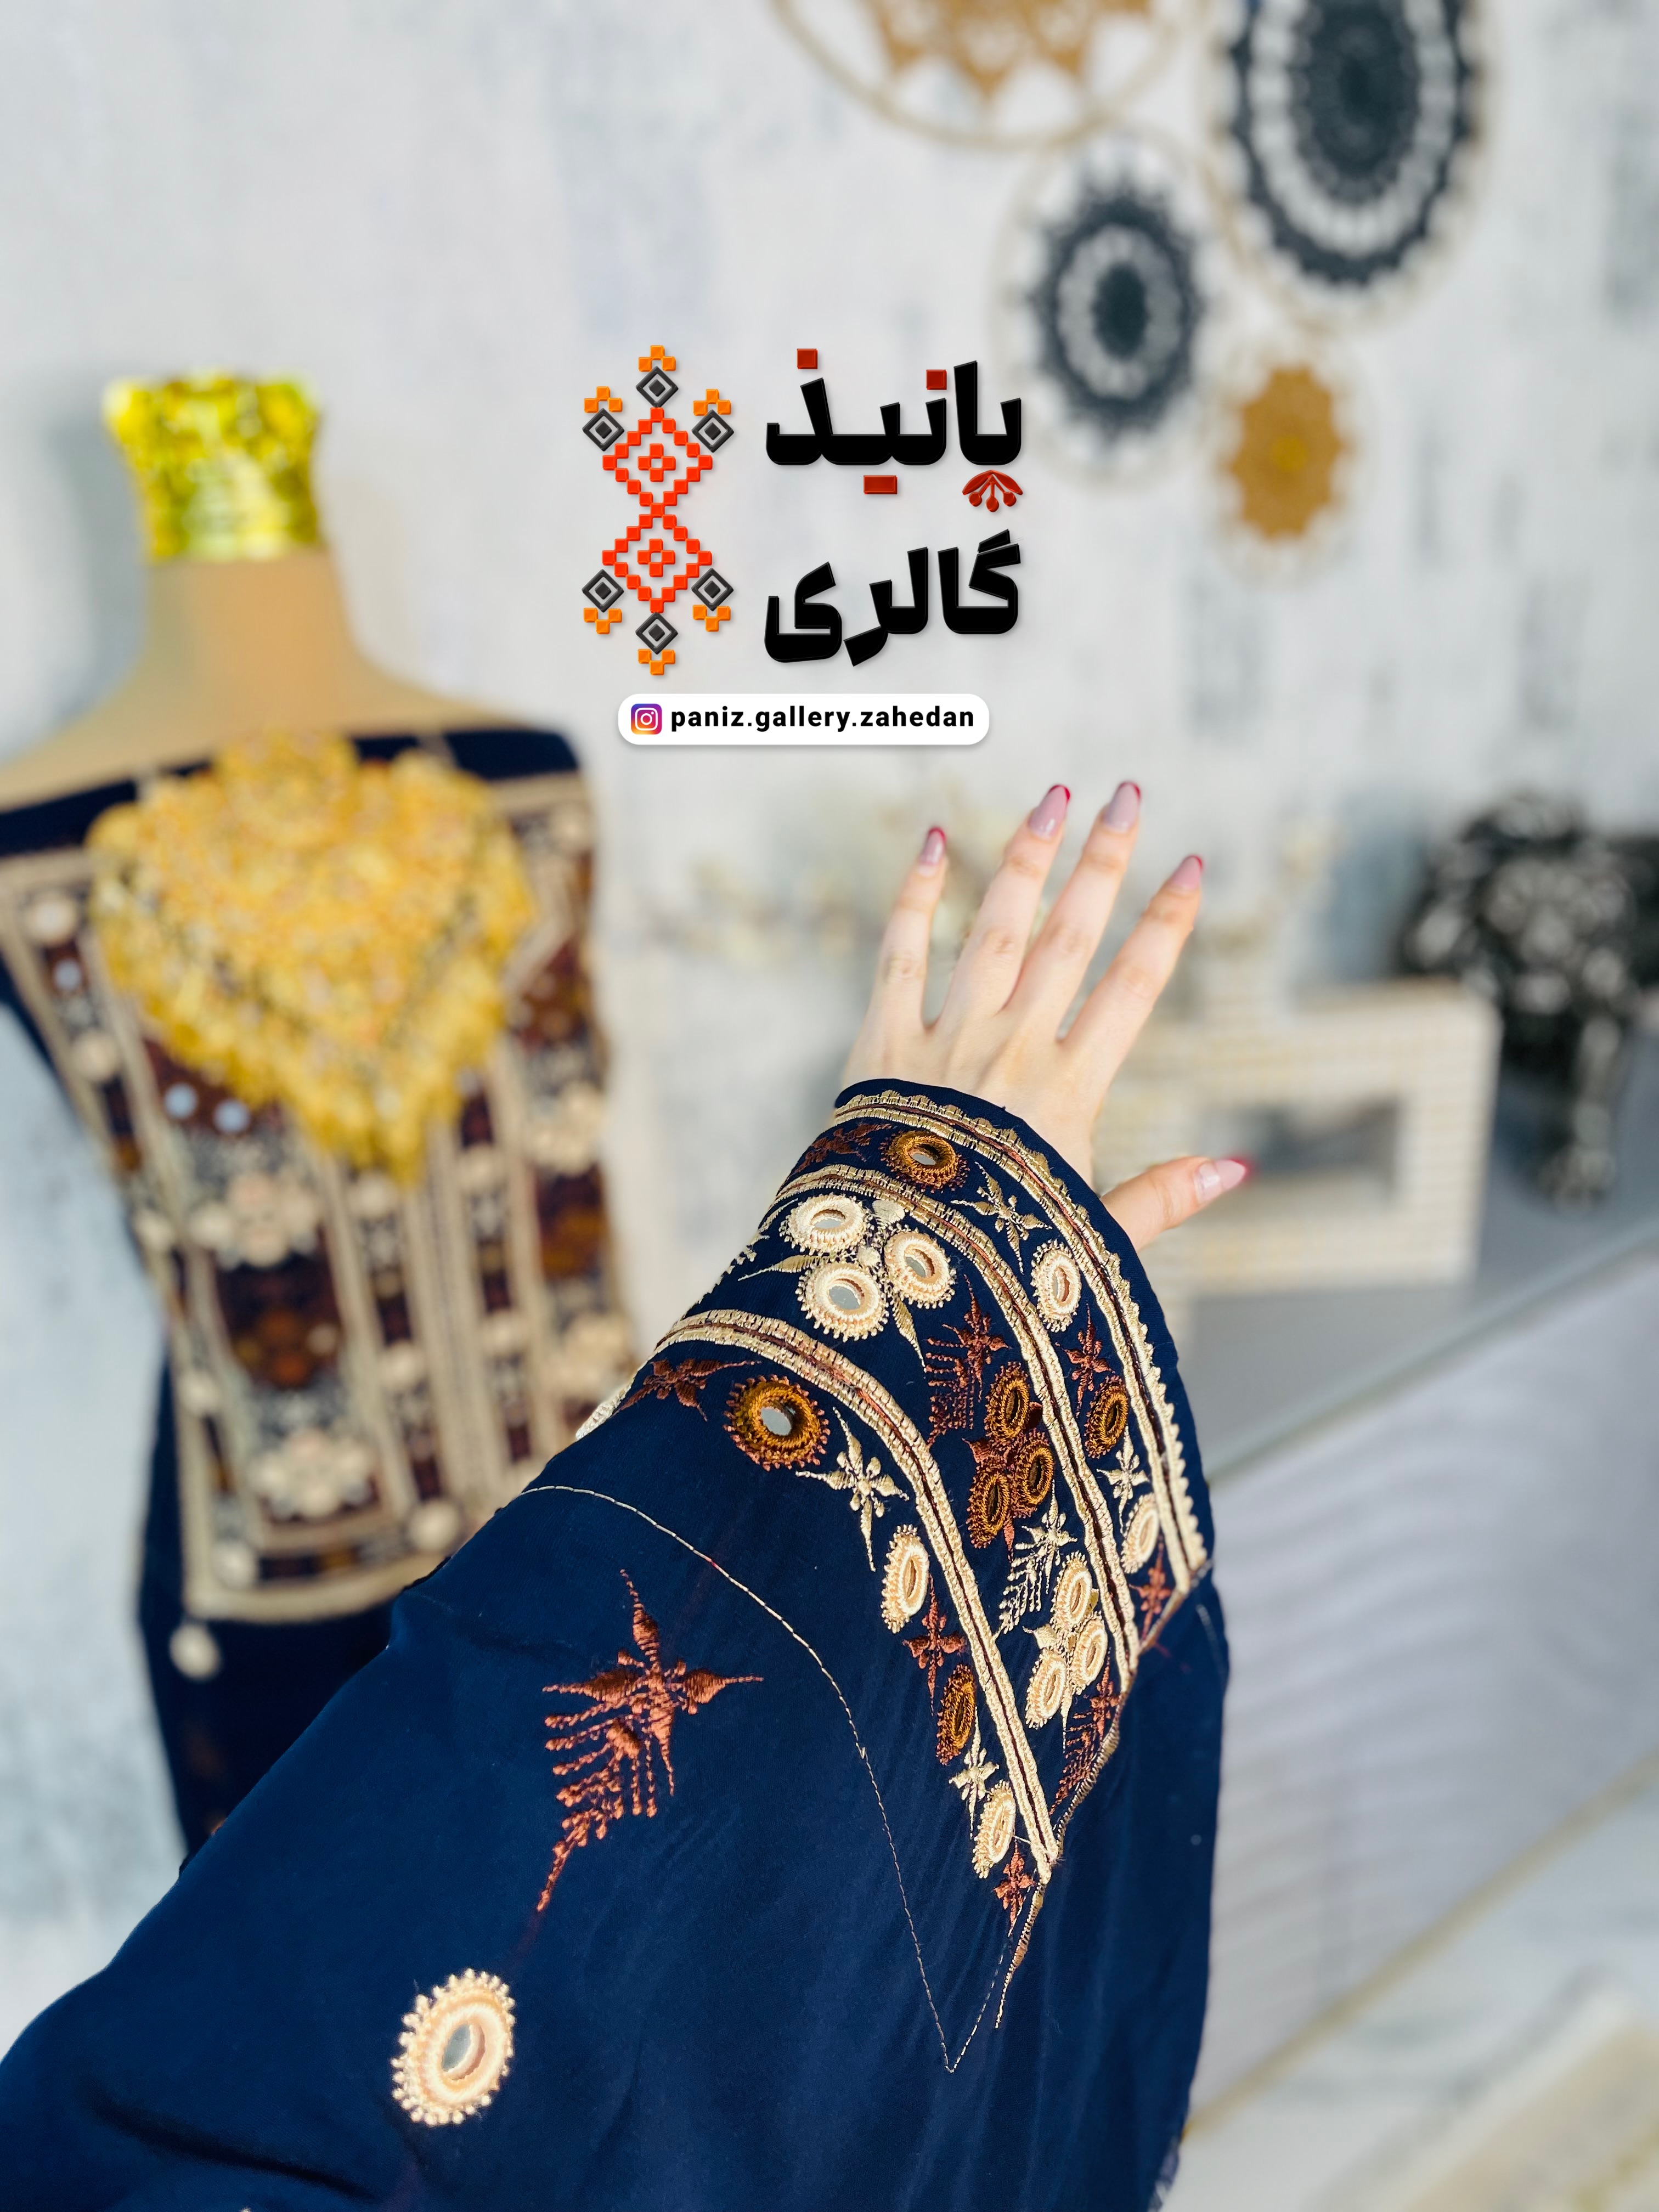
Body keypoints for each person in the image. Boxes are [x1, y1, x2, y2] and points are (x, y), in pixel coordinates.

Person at [0, 779, 1243, 2212]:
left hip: (578, 1505)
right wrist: (887, 1273)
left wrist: (888, 1351)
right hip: (308, 1601)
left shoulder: (513, 781)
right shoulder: (49, 860)